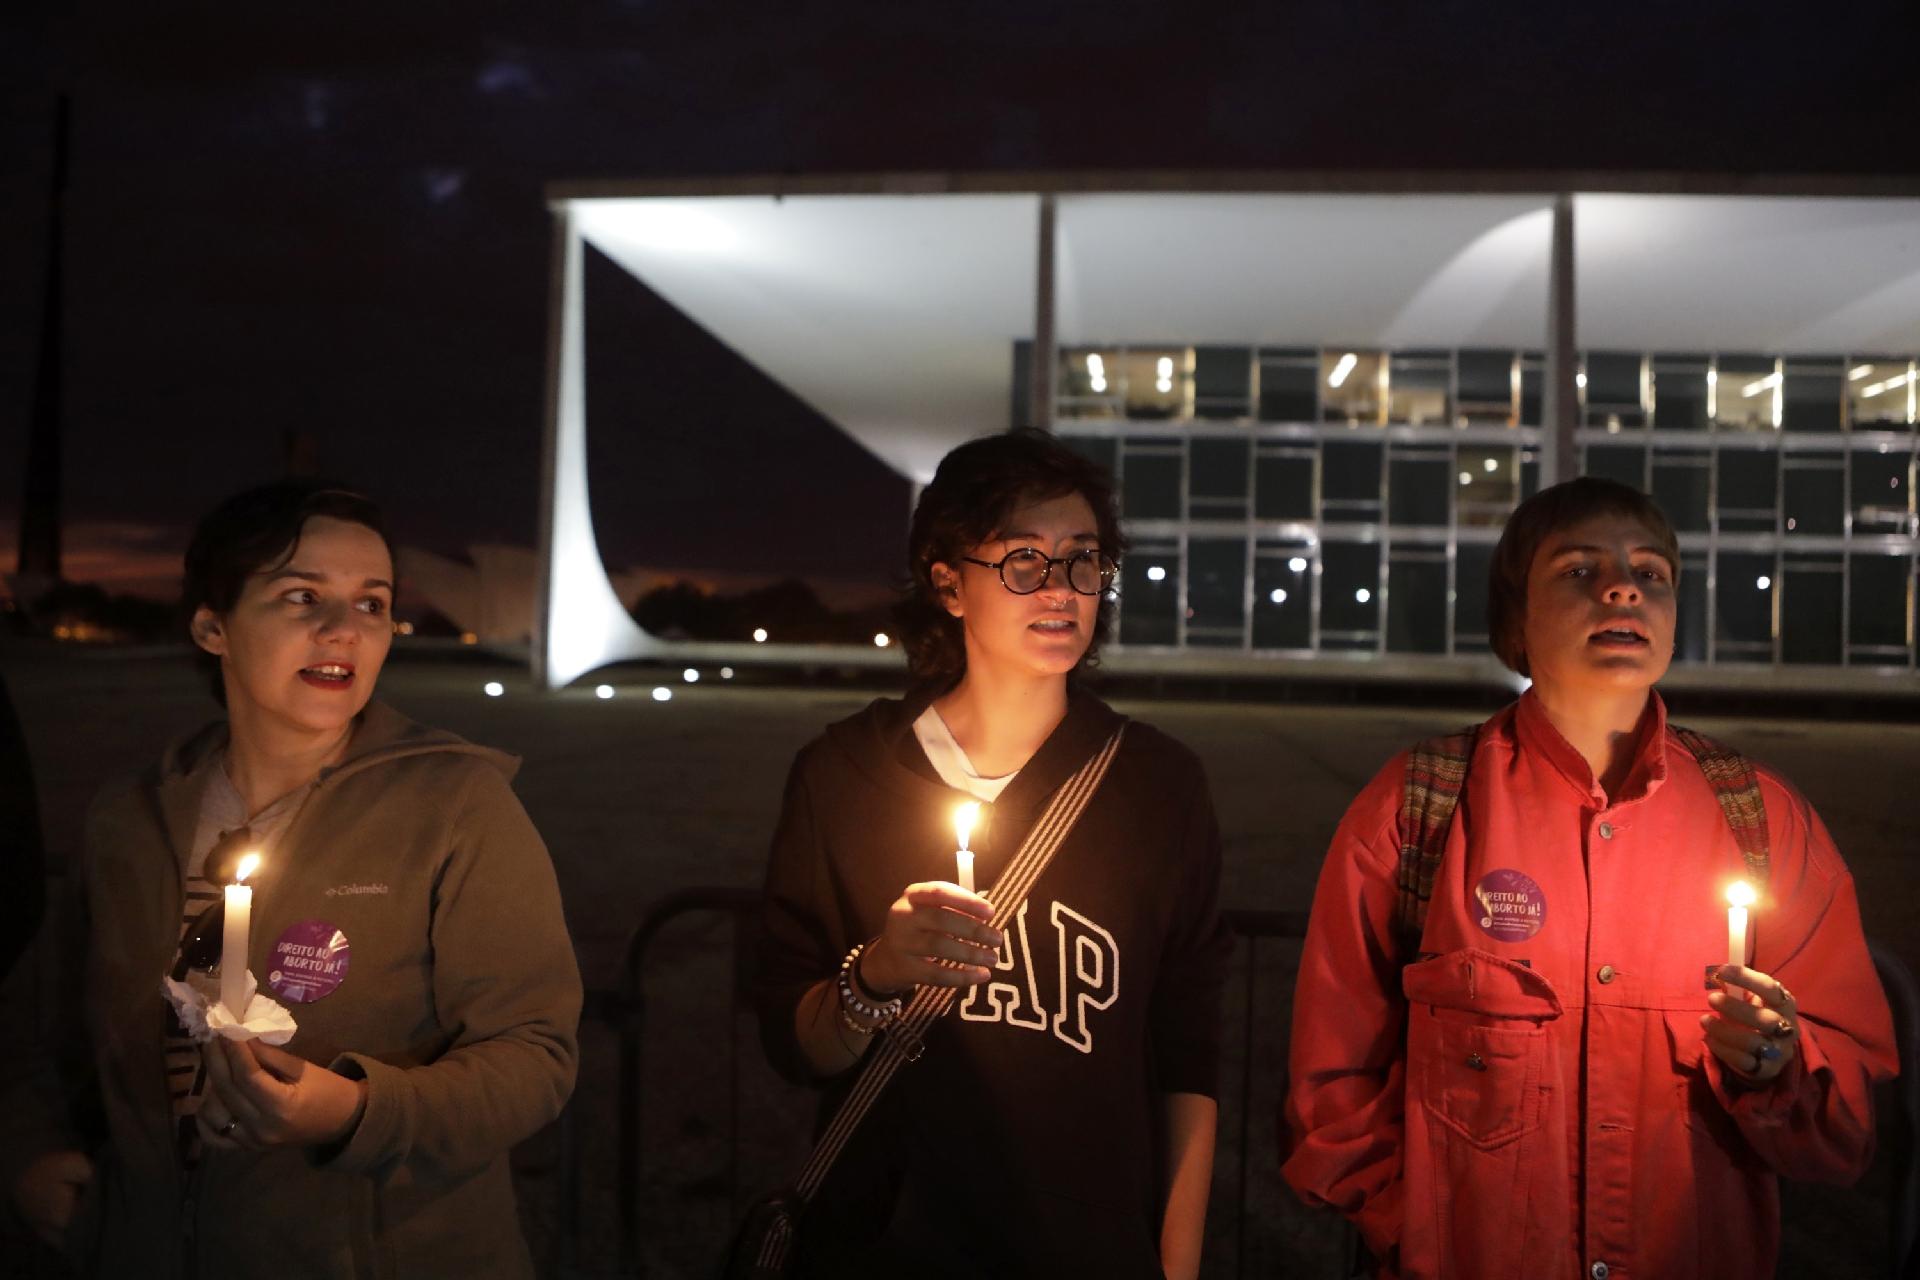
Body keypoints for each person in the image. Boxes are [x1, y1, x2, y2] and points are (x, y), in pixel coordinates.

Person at [1282, 476, 1899, 1279]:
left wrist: (1778, 1069)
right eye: (1579, 570)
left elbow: (1848, 1121)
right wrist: (1417, 1227)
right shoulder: (1415, 809)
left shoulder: (1762, 820)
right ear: (1515, 620)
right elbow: (1330, 1084)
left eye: (1651, 573)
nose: (1621, 587)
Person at [1, 481, 580, 1278]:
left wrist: (355, 1111)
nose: (343, 628)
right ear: (213, 626)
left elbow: (536, 1055)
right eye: (302, 595)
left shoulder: (456, 805)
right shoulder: (127, 818)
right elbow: (50, 1037)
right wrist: (30, 1156)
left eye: (372, 603)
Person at [754, 428, 1232, 1278]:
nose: (1062, 589)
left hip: (1081, 1250)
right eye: (1022, 561)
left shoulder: (1159, 785)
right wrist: (874, 977)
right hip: (881, 1244)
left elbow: (1187, 1051)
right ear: (948, 582)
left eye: (1084, 560)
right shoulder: (844, 774)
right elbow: (796, 1045)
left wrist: (1177, 1262)